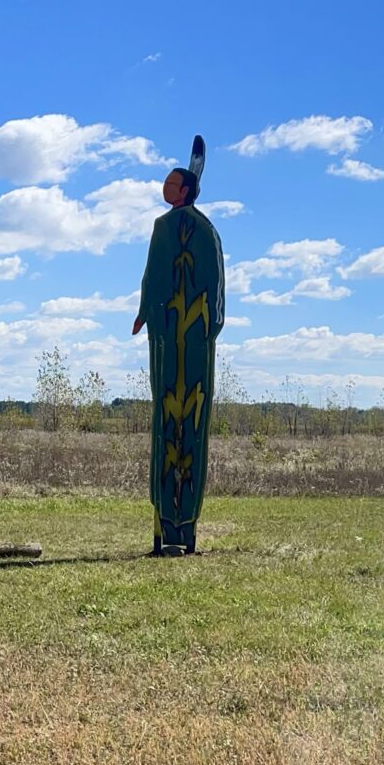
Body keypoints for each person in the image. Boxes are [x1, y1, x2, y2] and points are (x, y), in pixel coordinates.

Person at [131, 137, 224, 555]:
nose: (165, 187)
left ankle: (182, 527)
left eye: (171, 182)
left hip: (187, 339)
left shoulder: (194, 230)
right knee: (169, 423)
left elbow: (212, 287)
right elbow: (154, 275)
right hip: (172, 338)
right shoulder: (175, 228)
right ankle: (167, 526)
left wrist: (206, 328)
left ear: (185, 190)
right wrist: (145, 312)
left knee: (188, 422)